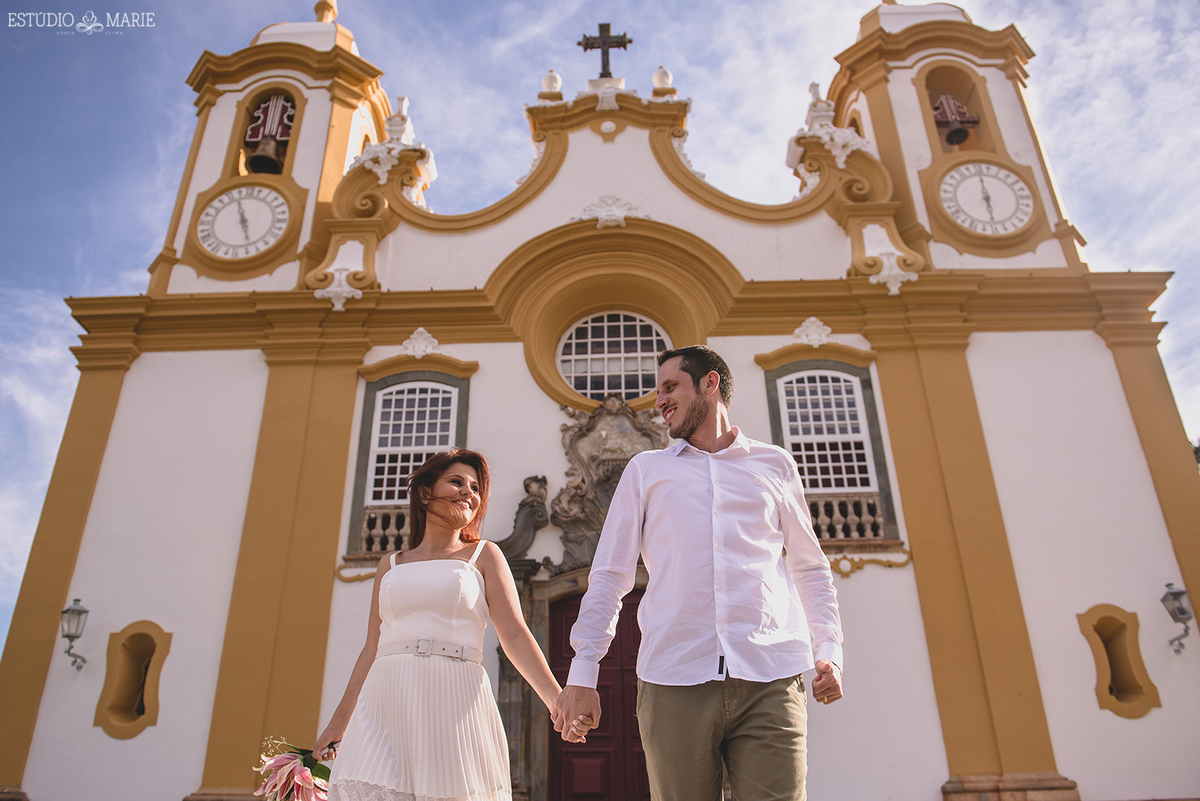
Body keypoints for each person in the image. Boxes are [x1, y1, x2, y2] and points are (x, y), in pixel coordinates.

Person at [550, 345, 845, 801]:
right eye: (658, 390)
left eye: (671, 387)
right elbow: (610, 575)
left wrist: (828, 648)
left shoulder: (775, 464)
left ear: (710, 383)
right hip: (673, 677)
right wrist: (583, 673)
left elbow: (809, 566)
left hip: (770, 675)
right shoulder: (646, 471)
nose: (659, 400)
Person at [315, 448, 587, 800]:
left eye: (475, 488)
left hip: (454, 694)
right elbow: (372, 648)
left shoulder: (484, 555)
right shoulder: (390, 564)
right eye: (456, 482)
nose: (468, 493)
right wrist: (338, 725)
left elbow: (516, 634)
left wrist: (557, 700)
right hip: (387, 698)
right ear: (426, 492)